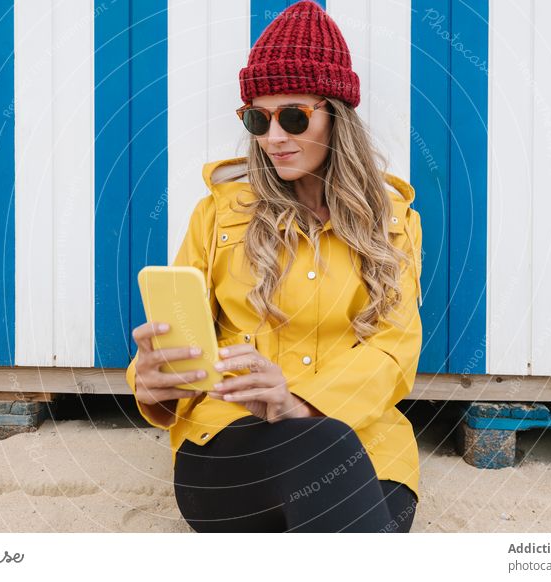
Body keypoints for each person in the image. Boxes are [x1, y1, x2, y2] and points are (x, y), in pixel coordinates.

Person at [126, 0, 422, 533]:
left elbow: (394, 348)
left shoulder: (394, 222)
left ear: (336, 114)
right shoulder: (218, 214)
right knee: (329, 467)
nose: (273, 137)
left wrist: (299, 402)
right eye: (258, 118)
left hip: (365, 443)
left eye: (293, 115)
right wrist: (152, 380)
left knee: (330, 451)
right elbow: (180, 335)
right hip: (232, 443)